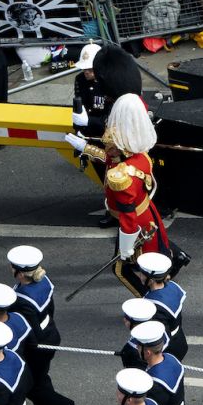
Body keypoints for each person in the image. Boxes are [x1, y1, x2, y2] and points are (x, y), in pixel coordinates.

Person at [64, 92, 171, 295]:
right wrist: (85, 148)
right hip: (147, 214)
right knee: (156, 253)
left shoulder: (121, 176)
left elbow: (128, 217)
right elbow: (110, 159)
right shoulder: (138, 156)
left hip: (135, 226)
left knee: (126, 270)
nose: (107, 148)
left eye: (110, 146)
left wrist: (126, 246)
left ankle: (151, 301)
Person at [6, 246, 92, 405]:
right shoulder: (43, 281)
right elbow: (49, 311)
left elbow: (30, 332)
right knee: (40, 380)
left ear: (19, 273)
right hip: (51, 335)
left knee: (31, 387)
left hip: (38, 346)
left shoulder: (21, 300)